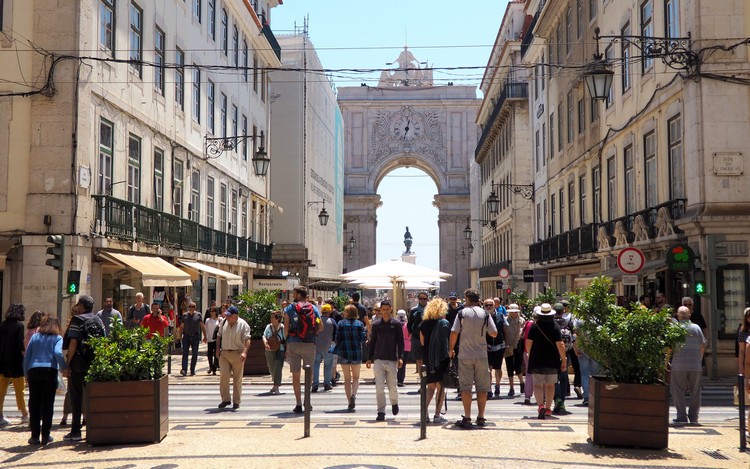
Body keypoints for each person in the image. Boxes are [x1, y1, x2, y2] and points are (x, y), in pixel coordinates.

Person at [449, 289, 498, 428]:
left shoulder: (461, 314)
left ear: (467, 299)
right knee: (482, 388)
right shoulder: (485, 314)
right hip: (482, 355)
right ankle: (481, 417)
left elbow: (454, 333)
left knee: (466, 388)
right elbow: (494, 333)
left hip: (465, 355)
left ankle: (468, 417)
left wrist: (451, 349)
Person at [63, 295, 104, 441]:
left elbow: (73, 342)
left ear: (81, 306)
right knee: (93, 397)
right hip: (93, 363)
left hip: (78, 363)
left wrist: (68, 363)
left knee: (76, 397)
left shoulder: (77, 320)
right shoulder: (98, 319)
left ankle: (75, 431)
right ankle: (95, 429)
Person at [23, 315, 66, 446]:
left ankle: (34, 436)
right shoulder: (57, 338)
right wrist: (64, 367)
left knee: (34, 403)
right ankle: (46, 435)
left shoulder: (35, 337)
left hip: (34, 370)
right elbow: (58, 353)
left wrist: (26, 374)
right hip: (49, 370)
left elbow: (27, 356)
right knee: (48, 404)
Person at [284, 286, 323, 414]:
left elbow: (285, 329)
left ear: (297, 294)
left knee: (296, 375)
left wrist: (286, 342)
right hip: (309, 344)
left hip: (294, 344)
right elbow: (320, 325)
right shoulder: (312, 308)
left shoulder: (289, 309)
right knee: (309, 374)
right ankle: (308, 401)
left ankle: (298, 403)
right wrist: (313, 332)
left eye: (294, 293)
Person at [526, 303, 566, 420]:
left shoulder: (534, 326)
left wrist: (530, 354)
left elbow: (528, 343)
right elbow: (560, 344)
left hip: (536, 359)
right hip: (552, 360)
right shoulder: (555, 326)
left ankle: (540, 406)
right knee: (550, 385)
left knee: (537, 385)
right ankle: (548, 408)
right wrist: (563, 359)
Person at [366, 299, 404, 421]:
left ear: (391, 310)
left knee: (392, 386)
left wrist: (401, 357)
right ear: (380, 310)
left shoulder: (397, 324)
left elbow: (400, 342)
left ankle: (394, 402)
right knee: (379, 387)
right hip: (379, 359)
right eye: (383, 309)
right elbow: (372, 342)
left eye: (388, 309)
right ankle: (381, 411)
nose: (386, 312)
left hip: (392, 359)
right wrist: (369, 358)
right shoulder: (376, 325)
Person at [670, 305, 706, 425]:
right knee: (695, 392)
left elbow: (669, 348)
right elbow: (702, 346)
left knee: (678, 391)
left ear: (678, 316)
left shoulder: (675, 329)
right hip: (695, 365)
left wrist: (666, 362)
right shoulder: (696, 328)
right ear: (689, 315)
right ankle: (694, 417)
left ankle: (681, 416)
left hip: (679, 365)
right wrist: (699, 360)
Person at [420, 297, 450, 423]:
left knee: (430, 388)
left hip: (428, 360)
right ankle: (437, 415)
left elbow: (422, 342)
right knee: (441, 387)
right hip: (441, 359)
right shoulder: (444, 323)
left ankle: (424, 412)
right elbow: (448, 343)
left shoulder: (423, 324)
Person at [215, 305, 251, 409]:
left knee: (237, 378)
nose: (227, 317)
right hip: (225, 353)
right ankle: (225, 399)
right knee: (224, 376)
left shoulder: (243, 325)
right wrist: (217, 349)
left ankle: (236, 401)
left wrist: (244, 352)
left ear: (235, 316)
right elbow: (219, 336)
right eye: (226, 315)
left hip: (237, 353)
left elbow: (247, 339)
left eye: (229, 316)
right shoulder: (224, 322)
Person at [0, 303, 28, 426]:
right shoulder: (19, 326)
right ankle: (24, 414)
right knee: (19, 390)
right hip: (15, 362)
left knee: (1, 390)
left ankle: (0, 414)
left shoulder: (1, 325)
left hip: (1, 362)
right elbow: (20, 345)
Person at [334, 304, 366, 411]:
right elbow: (363, 338)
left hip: (344, 353)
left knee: (347, 379)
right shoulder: (359, 323)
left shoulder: (341, 323)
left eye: (345, 311)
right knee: (356, 377)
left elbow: (337, 338)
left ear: (348, 313)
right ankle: (354, 395)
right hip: (356, 352)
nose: (343, 313)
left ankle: (349, 402)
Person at [552, 302, 573, 412]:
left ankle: (557, 399)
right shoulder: (568, 322)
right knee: (564, 378)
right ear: (563, 311)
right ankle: (562, 400)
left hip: (554, 354)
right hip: (566, 353)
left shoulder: (552, 323)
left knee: (554, 378)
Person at [312, 304, 337, 393]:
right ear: (329, 311)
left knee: (315, 365)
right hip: (328, 346)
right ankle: (327, 383)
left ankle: (315, 384)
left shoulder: (318, 319)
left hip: (317, 346)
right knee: (328, 366)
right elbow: (335, 335)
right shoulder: (332, 321)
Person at [486, 298, 508, 399]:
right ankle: (489, 388)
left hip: (500, 345)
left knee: (498, 368)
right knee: (489, 369)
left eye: (490, 305)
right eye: (486, 305)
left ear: (494, 305)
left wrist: (507, 343)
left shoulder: (500, 316)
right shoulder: (483, 317)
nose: (488, 307)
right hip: (487, 346)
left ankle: (497, 385)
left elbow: (505, 330)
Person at [179, 301, 207, 376]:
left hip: (195, 336)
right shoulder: (184, 315)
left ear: (195, 308)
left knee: (195, 354)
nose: (191, 308)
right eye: (190, 306)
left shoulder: (198, 315)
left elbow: (202, 326)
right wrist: (180, 336)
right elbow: (182, 326)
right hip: (186, 336)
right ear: (188, 307)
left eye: (193, 307)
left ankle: (192, 370)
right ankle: (184, 369)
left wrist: (205, 336)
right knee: (185, 353)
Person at [504, 303, 526, 397]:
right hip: (508, 346)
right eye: (512, 312)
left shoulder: (522, 321)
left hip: (518, 346)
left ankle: (522, 383)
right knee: (509, 367)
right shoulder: (505, 320)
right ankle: (511, 387)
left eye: (515, 312)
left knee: (518, 366)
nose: (513, 313)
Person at [262, 311, 285, 394]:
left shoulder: (282, 327)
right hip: (269, 349)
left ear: (278, 319)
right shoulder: (269, 327)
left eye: (272, 317)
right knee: (272, 367)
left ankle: (277, 386)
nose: (271, 319)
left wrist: (287, 351)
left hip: (280, 349)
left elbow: (286, 339)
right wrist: (266, 344)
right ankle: (275, 384)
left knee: (278, 367)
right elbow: (264, 336)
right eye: (270, 317)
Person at [408, 291, 429, 374]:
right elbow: (409, 324)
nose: (423, 300)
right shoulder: (414, 311)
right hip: (416, 338)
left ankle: (428, 379)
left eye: (424, 298)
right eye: (421, 298)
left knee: (427, 359)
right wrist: (410, 333)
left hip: (428, 338)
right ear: (418, 299)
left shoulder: (431, 310)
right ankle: (422, 381)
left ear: (427, 299)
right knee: (419, 360)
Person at [396, 309, 411, 387]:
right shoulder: (407, 325)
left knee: (394, 363)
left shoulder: (395, 324)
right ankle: (400, 380)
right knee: (403, 364)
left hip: (397, 346)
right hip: (406, 346)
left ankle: (395, 379)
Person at [205, 307, 221, 375]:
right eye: (211, 311)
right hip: (209, 339)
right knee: (209, 354)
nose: (212, 313)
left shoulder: (219, 320)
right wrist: (205, 337)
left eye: (213, 311)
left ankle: (214, 368)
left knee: (216, 354)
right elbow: (206, 329)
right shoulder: (207, 320)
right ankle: (210, 366)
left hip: (216, 339)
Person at [737, 308, 750, 374]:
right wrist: (741, 367)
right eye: (748, 316)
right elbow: (741, 351)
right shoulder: (743, 332)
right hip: (747, 362)